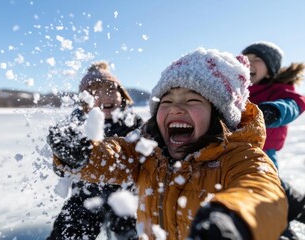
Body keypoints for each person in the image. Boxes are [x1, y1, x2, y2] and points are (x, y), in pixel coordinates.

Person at [47, 48, 288, 239]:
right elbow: (118, 155)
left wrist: (235, 219)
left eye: (192, 99)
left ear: (219, 115)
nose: (176, 108)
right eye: (166, 101)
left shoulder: (239, 157)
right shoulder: (150, 152)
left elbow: (260, 190)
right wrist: (83, 155)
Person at [47, 61, 143, 240]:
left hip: (125, 197)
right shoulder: (76, 123)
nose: (104, 96)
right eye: (94, 92)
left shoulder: (133, 122)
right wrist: (67, 159)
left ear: (121, 94)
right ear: (85, 101)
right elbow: (60, 165)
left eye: (111, 89)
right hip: (86, 196)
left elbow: (145, 157)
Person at [242, 41, 305, 239]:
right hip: (230, 153)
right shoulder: (236, 91)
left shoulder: (279, 91)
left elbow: (294, 105)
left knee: (268, 200)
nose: (249, 62)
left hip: (264, 156)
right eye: (246, 59)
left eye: (257, 59)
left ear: (269, 71)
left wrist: (272, 111)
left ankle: (282, 232)